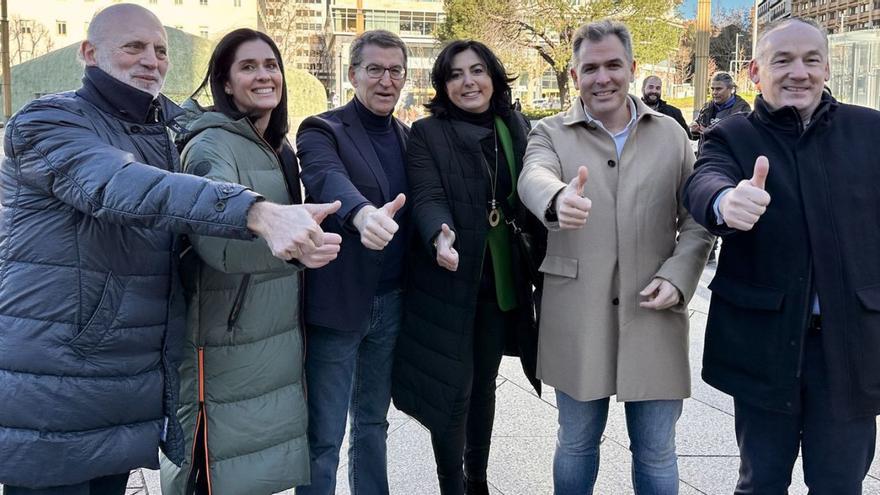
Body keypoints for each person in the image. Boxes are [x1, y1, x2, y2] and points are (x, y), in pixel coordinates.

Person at [0, 5, 339, 494]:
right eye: (133, 47)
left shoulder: (160, 131)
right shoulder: (48, 120)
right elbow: (118, 184)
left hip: (122, 376)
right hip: (57, 377)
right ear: (89, 53)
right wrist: (257, 212)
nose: (151, 60)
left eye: (160, 50)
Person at [683, 17, 880, 494]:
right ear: (754, 72)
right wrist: (726, 202)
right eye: (783, 60)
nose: (799, 72)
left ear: (827, 69)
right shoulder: (732, 135)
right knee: (761, 481)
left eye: (811, 60)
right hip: (766, 344)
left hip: (849, 348)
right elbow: (704, 180)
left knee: (840, 484)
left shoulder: (869, 131)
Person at [518, 20, 713, 494]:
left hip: (654, 310)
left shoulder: (670, 134)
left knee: (657, 449)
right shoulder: (548, 132)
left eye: (612, 65)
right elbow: (533, 176)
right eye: (590, 68)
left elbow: (697, 218)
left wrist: (680, 274)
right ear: (574, 72)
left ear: (631, 68)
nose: (601, 78)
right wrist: (556, 198)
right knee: (577, 443)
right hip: (577, 313)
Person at [158, 29, 341, 494]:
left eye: (271, 64)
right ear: (224, 80)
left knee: (252, 474)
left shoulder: (278, 146)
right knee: (215, 474)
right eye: (248, 66)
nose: (264, 75)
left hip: (269, 340)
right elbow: (214, 241)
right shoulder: (210, 145)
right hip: (221, 349)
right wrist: (295, 246)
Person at [391, 40, 545, 495]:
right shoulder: (426, 133)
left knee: (484, 388)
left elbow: (535, 187)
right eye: (455, 74)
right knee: (452, 392)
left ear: (494, 76)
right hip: (449, 280)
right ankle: (450, 484)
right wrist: (440, 232)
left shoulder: (515, 125)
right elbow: (426, 194)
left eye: (477, 71)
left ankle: (476, 477)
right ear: (443, 85)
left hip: (500, 285)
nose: (468, 82)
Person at [295, 29, 410, 495]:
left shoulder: (409, 136)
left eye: (395, 71)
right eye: (375, 70)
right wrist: (361, 214)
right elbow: (327, 178)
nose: (386, 81)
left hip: (392, 303)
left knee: (372, 424)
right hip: (338, 306)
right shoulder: (322, 129)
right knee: (324, 436)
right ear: (352, 75)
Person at [690, 71, 751, 140]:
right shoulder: (707, 107)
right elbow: (697, 127)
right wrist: (694, 129)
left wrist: (710, 133)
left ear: (730, 89)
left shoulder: (742, 109)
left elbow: (744, 137)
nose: (714, 93)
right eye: (712, 89)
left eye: (719, 89)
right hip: (706, 150)